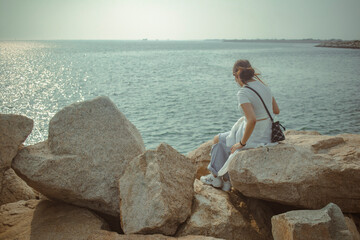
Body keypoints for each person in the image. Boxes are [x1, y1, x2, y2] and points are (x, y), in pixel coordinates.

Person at [200, 59, 280, 191]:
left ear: (237, 75)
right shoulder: (264, 86)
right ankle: (226, 181)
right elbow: (276, 111)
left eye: (234, 77)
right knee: (226, 140)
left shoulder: (243, 92)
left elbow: (252, 120)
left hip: (255, 137)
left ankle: (216, 177)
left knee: (218, 140)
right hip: (267, 133)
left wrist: (241, 143)